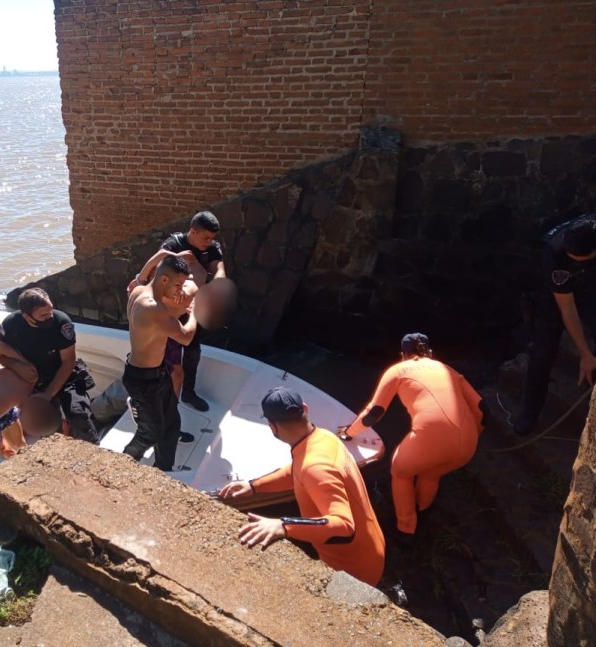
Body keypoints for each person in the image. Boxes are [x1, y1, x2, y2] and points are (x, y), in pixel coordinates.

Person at [218, 387, 385, 587]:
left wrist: (283, 526)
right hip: (370, 548)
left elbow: (343, 526)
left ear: (273, 427)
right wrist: (253, 486)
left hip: (353, 571)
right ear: (305, 408)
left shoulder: (315, 467)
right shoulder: (323, 437)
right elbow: (297, 472)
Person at [341, 333, 484, 538]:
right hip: (468, 445)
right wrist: (473, 434)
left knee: (400, 471)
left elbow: (374, 413)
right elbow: (482, 409)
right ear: (430, 352)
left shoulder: (398, 370)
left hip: (431, 439)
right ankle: (422, 511)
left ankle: (406, 528)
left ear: (403, 355)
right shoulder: (447, 369)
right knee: (431, 472)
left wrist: (348, 432)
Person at [129, 210, 226, 412]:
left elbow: (219, 269)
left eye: (212, 238)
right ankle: (162, 399)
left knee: (193, 352)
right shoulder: (174, 244)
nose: (209, 242)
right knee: (167, 361)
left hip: (192, 308)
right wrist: (176, 259)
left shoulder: (212, 248)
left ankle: (188, 393)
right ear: (193, 231)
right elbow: (158, 271)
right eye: (205, 237)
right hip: (168, 312)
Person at [516, 214, 596, 435]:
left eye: (582, 259)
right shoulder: (554, 254)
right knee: (542, 352)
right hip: (556, 296)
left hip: (590, 285)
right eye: (574, 259)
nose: (577, 262)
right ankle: (530, 413)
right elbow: (567, 309)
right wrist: (585, 354)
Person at [0, 287, 99, 443]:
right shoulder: (11, 325)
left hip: (65, 375)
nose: (50, 316)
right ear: (26, 316)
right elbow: (1, 355)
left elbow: (68, 361)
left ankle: (93, 447)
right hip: (32, 380)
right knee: (44, 423)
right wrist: (17, 367)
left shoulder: (61, 322)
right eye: (43, 315)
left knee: (78, 414)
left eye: (50, 310)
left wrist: (48, 394)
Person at [124, 254, 197, 470]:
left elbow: (186, 288)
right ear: (164, 279)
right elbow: (186, 337)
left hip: (158, 373)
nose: (179, 290)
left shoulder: (138, 290)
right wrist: (195, 312)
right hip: (142, 380)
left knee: (172, 424)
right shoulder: (153, 307)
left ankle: (163, 470)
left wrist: (180, 294)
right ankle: (121, 465)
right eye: (177, 285)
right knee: (150, 433)